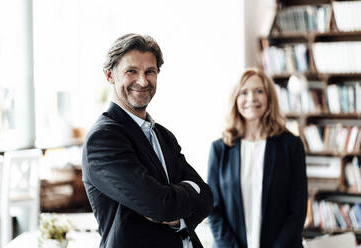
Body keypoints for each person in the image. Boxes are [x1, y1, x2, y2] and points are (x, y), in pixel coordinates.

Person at [82, 33, 213, 248]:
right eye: (131, 71)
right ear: (110, 76)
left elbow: (207, 198)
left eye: (150, 72)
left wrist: (178, 207)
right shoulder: (104, 138)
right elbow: (159, 205)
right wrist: (190, 190)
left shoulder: (163, 135)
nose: (143, 81)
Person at [207, 68, 307, 248]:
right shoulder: (220, 149)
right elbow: (213, 210)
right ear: (236, 99)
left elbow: (297, 210)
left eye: (259, 91)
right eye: (244, 92)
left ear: (269, 98)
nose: (251, 98)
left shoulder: (291, 146)